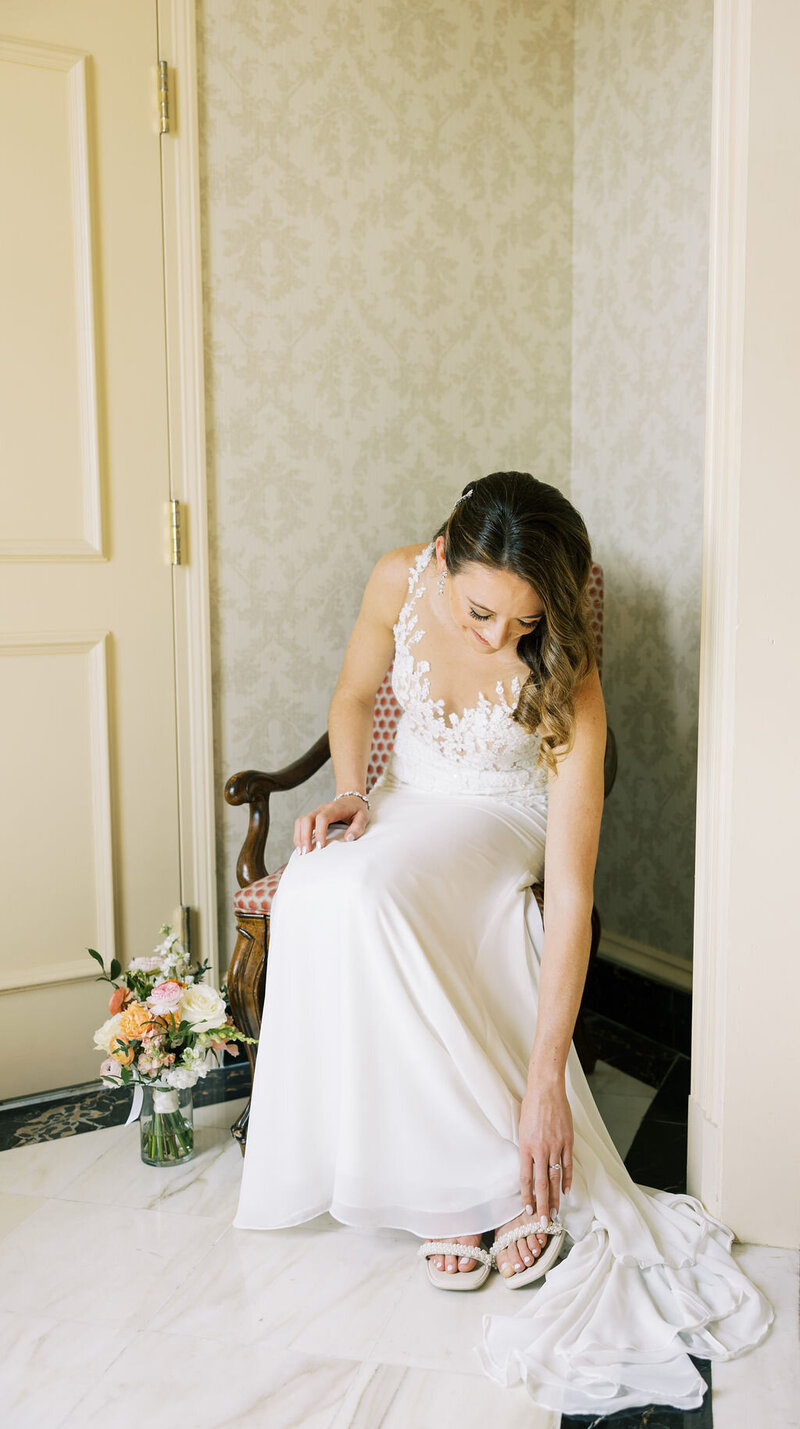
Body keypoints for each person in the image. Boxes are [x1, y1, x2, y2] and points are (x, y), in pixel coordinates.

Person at [233, 471, 772, 1415]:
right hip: (404, 799)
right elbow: (356, 693)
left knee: (380, 892)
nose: (498, 639)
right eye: (481, 612)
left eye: (521, 624)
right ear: (441, 558)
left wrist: (543, 1087)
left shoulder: (564, 664)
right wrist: (356, 788)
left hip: (501, 813)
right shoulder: (395, 578)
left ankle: (485, 1186)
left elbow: (568, 892)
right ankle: (423, 1172)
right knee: (324, 881)